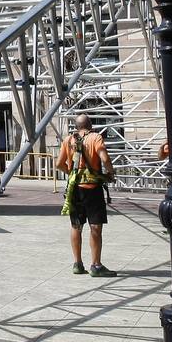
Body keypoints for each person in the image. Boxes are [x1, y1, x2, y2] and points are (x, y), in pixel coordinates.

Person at [56, 115, 116, 277]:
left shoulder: (68, 140)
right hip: (92, 189)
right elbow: (104, 158)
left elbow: (59, 164)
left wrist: (73, 173)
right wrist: (110, 173)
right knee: (95, 226)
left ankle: (77, 264)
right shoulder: (95, 137)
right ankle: (96, 265)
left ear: (76, 126)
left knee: (76, 225)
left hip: (74, 189)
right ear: (89, 125)